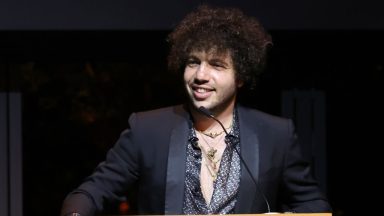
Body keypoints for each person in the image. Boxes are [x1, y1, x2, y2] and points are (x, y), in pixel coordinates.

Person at [60, 4, 332, 216]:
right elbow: (93, 191)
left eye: (216, 64)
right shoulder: (147, 129)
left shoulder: (276, 134)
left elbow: (313, 203)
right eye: (193, 62)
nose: (200, 75)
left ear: (240, 76)